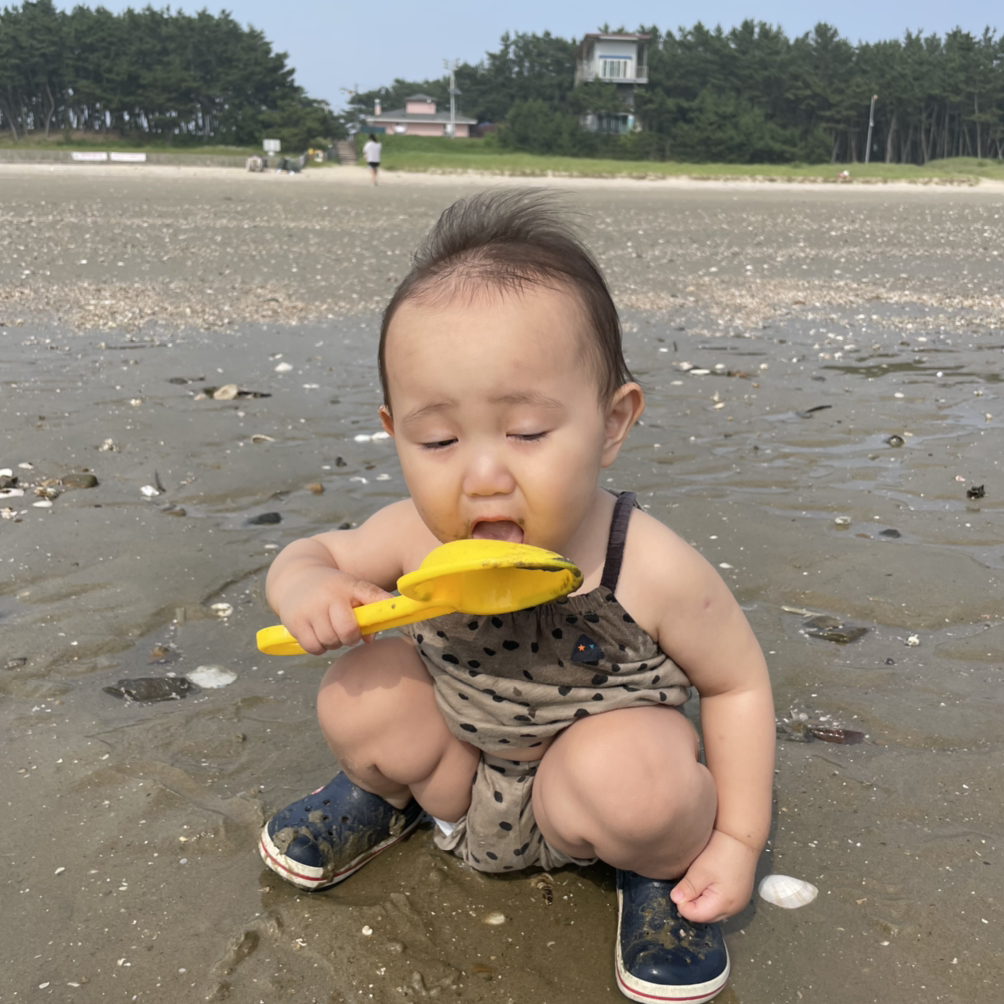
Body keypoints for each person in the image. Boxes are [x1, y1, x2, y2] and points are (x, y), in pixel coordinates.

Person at [259, 190, 775, 1004]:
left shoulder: (646, 562)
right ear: (395, 433)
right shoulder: (413, 534)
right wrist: (309, 586)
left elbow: (737, 684)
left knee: (638, 776)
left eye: (528, 432)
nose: (483, 475)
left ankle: (657, 871)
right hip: (458, 782)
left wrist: (738, 841)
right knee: (363, 686)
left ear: (612, 423)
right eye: (438, 440)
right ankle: (385, 798)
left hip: (595, 798)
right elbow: (309, 553)